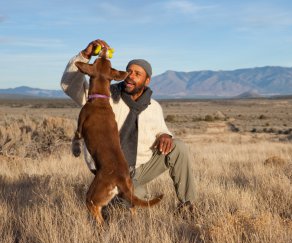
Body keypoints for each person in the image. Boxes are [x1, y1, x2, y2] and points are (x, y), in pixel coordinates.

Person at [61, 39, 196, 214]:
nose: (131, 75)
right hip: (109, 170)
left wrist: (165, 136)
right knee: (127, 214)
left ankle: (188, 206)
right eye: (129, 71)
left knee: (179, 147)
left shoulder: (153, 106)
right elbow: (68, 85)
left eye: (137, 73)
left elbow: (162, 130)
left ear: (146, 80)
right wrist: (85, 55)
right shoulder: (102, 97)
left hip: (140, 168)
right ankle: (120, 198)